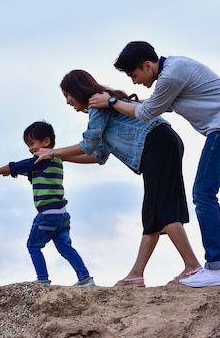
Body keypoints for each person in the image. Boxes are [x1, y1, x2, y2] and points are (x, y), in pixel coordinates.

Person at [89, 41, 220, 289]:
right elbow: (156, 104)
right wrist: (121, 101)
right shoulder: (176, 70)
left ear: (147, 65)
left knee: (203, 193)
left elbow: (147, 112)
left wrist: (112, 102)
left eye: (134, 75)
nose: (134, 81)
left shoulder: (171, 75)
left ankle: (216, 267)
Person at [34, 70, 202, 287]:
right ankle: (136, 274)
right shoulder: (102, 106)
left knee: (164, 209)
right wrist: (62, 158)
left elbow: (88, 145)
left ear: (77, 90)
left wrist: (53, 152)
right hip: (162, 142)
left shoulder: (97, 103)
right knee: (153, 214)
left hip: (156, 144)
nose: (67, 101)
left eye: (67, 94)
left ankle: (192, 266)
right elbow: (97, 155)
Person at [0, 120, 95, 287]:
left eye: (32, 143)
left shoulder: (39, 159)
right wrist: (13, 173)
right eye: (28, 145)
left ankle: (42, 279)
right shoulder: (56, 161)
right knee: (65, 247)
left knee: (33, 245)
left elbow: (16, 166)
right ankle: (85, 278)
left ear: (46, 142)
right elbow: (28, 172)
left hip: (47, 215)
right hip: (62, 215)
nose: (30, 149)